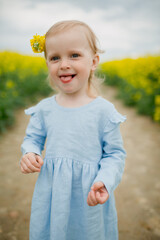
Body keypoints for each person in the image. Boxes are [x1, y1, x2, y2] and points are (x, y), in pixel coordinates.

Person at [20, 20, 127, 240]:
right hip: (53, 194)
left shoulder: (104, 111)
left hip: (89, 195)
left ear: (94, 61)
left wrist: (105, 181)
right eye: (55, 58)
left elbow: (114, 154)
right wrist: (29, 153)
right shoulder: (45, 109)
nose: (64, 64)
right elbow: (32, 139)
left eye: (74, 55)